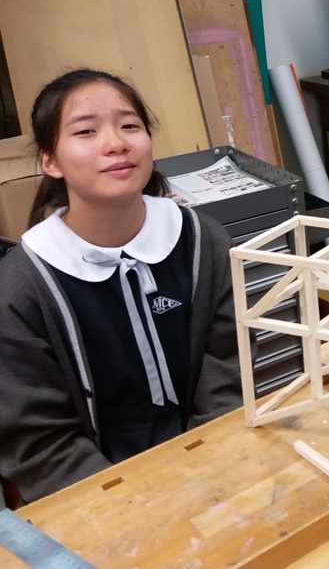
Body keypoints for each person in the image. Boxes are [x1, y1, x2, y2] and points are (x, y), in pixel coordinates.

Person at [0, 68, 243, 504]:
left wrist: (211, 468)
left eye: (130, 126)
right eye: (86, 131)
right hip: (94, 496)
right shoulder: (23, 286)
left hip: (216, 464)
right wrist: (126, 505)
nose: (116, 143)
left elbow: (228, 366)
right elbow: (38, 442)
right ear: (50, 161)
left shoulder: (202, 240)